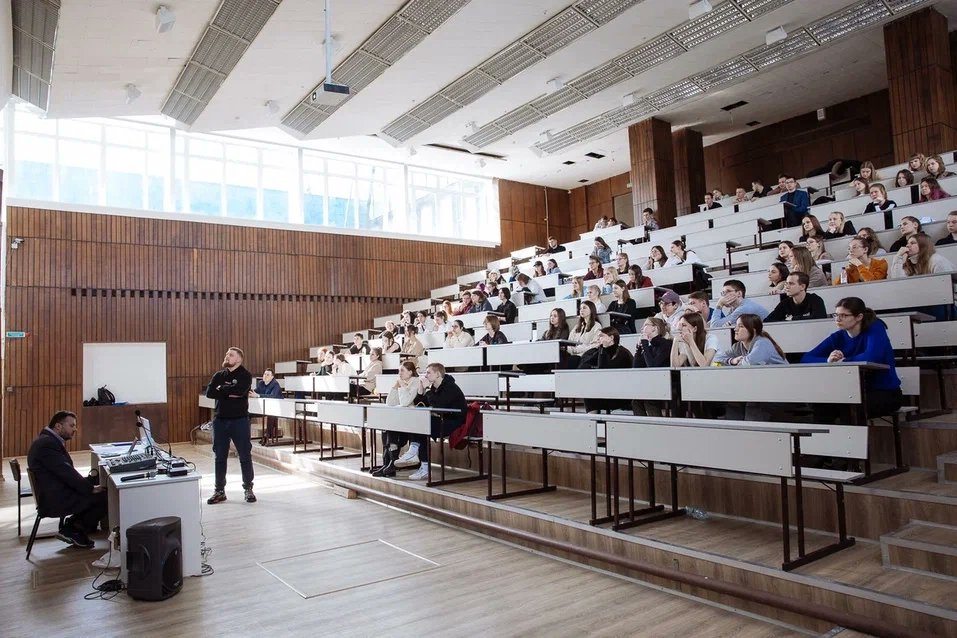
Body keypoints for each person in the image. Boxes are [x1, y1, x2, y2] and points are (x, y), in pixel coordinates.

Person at [801, 297, 903, 420]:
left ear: (859, 317)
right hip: (853, 391)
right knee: (821, 404)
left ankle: (852, 438)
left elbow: (872, 356)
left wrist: (843, 361)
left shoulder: (875, 327)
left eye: (844, 315)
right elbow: (806, 358)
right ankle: (825, 439)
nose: (838, 319)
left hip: (885, 392)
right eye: (836, 315)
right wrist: (828, 360)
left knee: (848, 407)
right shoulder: (839, 336)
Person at [27, 411, 107, 548]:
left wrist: (90, 483)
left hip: (54, 489)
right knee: (105, 495)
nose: (75, 429)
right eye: (72, 425)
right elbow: (65, 472)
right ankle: (73, 528)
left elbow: (64, 472)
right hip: (55, 499)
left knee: (96, 480)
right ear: (58, 426)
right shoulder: (47, 444)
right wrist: (90, 488)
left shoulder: (46, 440)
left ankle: (79, 525)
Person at [206, 346, 255, 504]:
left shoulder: (245, 375)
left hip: (239, 421)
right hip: (220, 421)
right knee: (220, 457)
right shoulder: (219, 375)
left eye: (231, 355)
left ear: (239, 359)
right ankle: (219, 491)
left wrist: (222, 389)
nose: (227, 356)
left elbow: (240, 391)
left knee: (245, 455)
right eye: (227, 354)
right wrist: (228, 391)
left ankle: (248, 489)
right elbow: (210, 393)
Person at [715, 315, 788, 420]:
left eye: (740, 326)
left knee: (753, 403)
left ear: (752, 330)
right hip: (757, 388)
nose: (735, 329)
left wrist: (737, 363)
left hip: (779, 389)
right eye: (736, 325)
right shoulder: (738, 346)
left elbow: (749, 363)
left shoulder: (762, 343)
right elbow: (716, 358)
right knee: (734, 401)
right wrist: (732, 360)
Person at [406, 363, 468, 481]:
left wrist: (428, 389)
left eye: (429, 372)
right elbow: (420, 403)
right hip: (443, 419)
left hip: (455, 422)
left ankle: (416, 454)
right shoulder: (435, 387)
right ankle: (418, 458)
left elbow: (438, 404)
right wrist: (421, 390)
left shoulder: (450, 387)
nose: (426, 375)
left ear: (438, 374)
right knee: (420, 424)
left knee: (423, 426)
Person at [372, 360, 425, 477]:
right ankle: (388, 463)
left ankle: (391, 464)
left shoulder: (416, 382)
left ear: (410, 372)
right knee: (387, 430)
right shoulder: (401, 382)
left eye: (402, 370)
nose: (399, 373)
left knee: (392, 430)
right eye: (399, 370)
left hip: (414, 419)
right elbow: (390, 402)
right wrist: (394, 387)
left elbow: (406, 402)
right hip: (402, 417)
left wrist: (401, 386)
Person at [578, 327, 632, 413]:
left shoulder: (623, 353)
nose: (598, 339)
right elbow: (583, 366)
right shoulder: (601, 350)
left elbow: (606, 371)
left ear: (611, 338)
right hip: (605, 389)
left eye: (601, 336)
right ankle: (593, 423)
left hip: (620, 393)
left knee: (592, 393)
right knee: (589, 392)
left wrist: (601, 353)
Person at [631, 318, 672, 417]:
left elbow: (652, 366)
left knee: (649, 400)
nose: (642, 328)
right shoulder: (648, 346)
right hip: (650, 382)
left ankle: (657, 425)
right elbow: (636, 367)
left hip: (665, 381)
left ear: (655, 328)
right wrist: (639, 348)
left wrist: (645, 344)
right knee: (635, 401)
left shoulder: (666, 343)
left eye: (646, 325)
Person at [890, 233, 956, 278]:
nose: (907, 245)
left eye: (912, 243)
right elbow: (900, 283)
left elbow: (945, 283)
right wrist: (898, 257)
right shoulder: (910, 262)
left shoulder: (936, 260)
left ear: (923, 246)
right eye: (908, 243)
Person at [566, 300, 601, 368]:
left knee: (569, 362)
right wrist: (571, 350)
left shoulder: (597, 326)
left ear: (591, 310)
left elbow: (595, 345)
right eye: (580, 308)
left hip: (584, 356)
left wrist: (576, 350)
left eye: (584, 308)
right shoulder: (577, 326)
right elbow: (569, 342)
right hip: (572, 354)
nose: (581, 310)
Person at [251, 368, 282, 443]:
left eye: (268, 375)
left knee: (271, 413)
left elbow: (273, 396)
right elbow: (255, 392)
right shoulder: (261, 383)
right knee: (247, 413)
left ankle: (268, 435)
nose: (265, 376)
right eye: (264, 374)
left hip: (278, 407)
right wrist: (250, 393)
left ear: (272, 377)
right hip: (264, 407)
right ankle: (245, 434)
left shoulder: (275, 384)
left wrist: (258, 396)